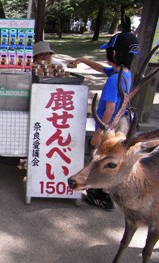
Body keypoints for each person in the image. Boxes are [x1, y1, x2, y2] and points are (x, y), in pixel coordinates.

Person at [69, 32, 140, 211]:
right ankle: (105, 194)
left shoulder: (113, 81)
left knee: (100, 160)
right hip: (120, 124)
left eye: (109, 51)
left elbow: (109, 109)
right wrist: (83, 60)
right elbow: (102, 69)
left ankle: (99, 196)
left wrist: (98, 135)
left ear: (114, 53)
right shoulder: (124, 73)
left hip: (109, 127)